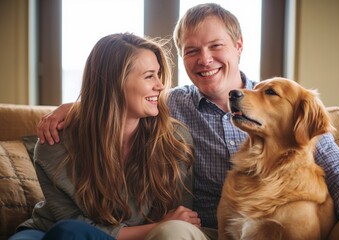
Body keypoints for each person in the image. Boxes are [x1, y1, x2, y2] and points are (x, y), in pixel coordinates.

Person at [37, 3, 339, 239]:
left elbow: (331, 160)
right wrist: (77, 107)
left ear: (238, 47)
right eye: (191, 51)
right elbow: (125, 100)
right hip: (208, 229)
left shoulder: (280, 102)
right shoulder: (173, 105)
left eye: (215, 46)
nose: (204, 59)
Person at [10, 33, 209, 240]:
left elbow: (181, 219)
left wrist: (161, 228)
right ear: (114, 82)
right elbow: (68, 223)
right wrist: (154, 228)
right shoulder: (55, 143)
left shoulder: (175, 139)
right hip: (52, 232)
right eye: (149, 76)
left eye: (158, 74)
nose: (160, 85)